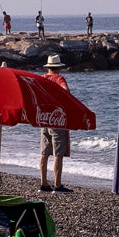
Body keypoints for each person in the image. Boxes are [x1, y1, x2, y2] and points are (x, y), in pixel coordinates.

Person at [38, 54, 71, 193]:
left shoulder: (42, 79)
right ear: (58, 68)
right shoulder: (59, 78)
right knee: (58, 152)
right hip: (56, 119)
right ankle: (57, 185)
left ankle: (43, 183)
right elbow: (66, 92)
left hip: (44, 118)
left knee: (44, 152)